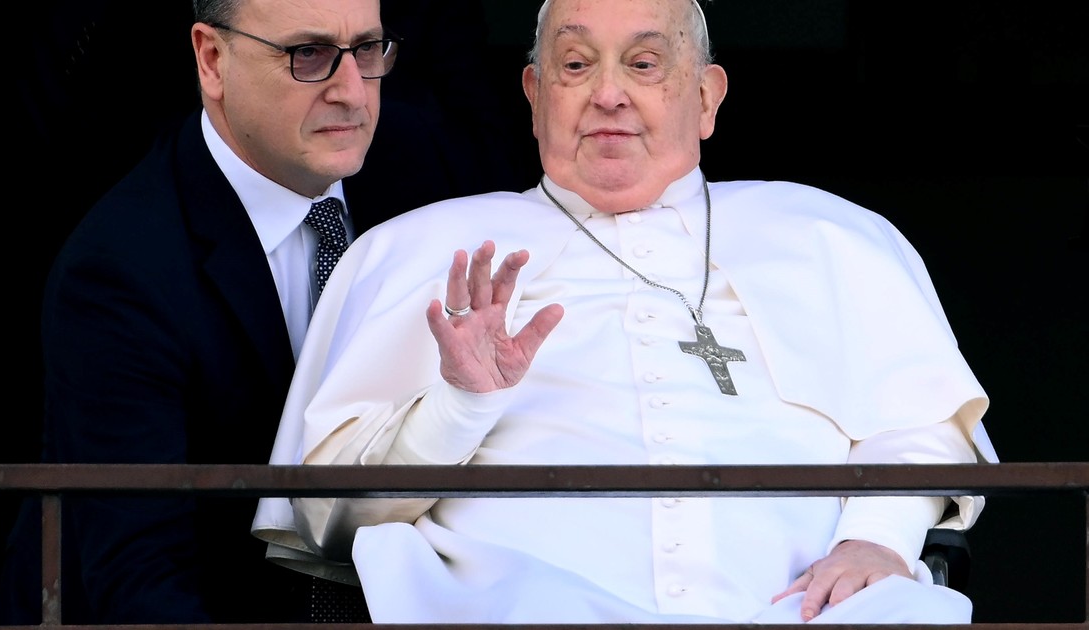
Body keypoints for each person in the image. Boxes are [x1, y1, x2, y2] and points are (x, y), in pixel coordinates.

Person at [252, 0, 999, 624]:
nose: (608, 93)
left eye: (644, 64)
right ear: (534, 94)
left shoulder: (827, 235)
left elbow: (922, 425)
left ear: (706, 97)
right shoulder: (420, 250)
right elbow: (327, 521)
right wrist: (457, 406)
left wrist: (879, 537)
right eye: (576, 65)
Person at [0, 0, 402, 623]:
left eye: (367, 49)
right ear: (212, 60)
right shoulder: (119, 271)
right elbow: (141, 583)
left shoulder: (424, 183)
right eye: (309, 54)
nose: (351, 91)